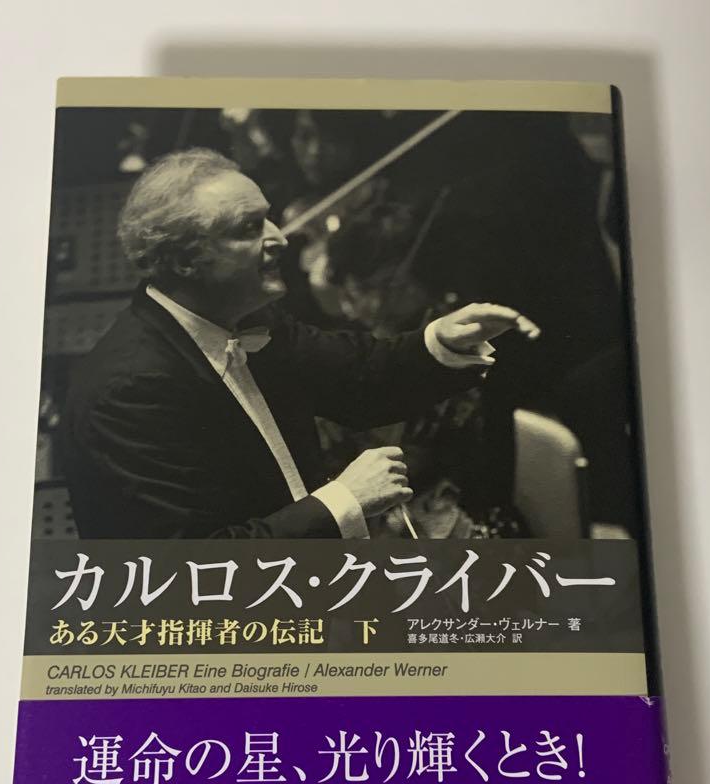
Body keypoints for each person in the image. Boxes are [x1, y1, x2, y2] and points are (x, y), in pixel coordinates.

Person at [61, 148, 539, 539]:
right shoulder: (128, 392)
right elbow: (190, 568)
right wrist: (345, 502)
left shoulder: (252, 321)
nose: (281, 239)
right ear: (185, 260)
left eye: (268, 219)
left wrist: (440, 341)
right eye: (248, 229)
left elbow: (360, 375)